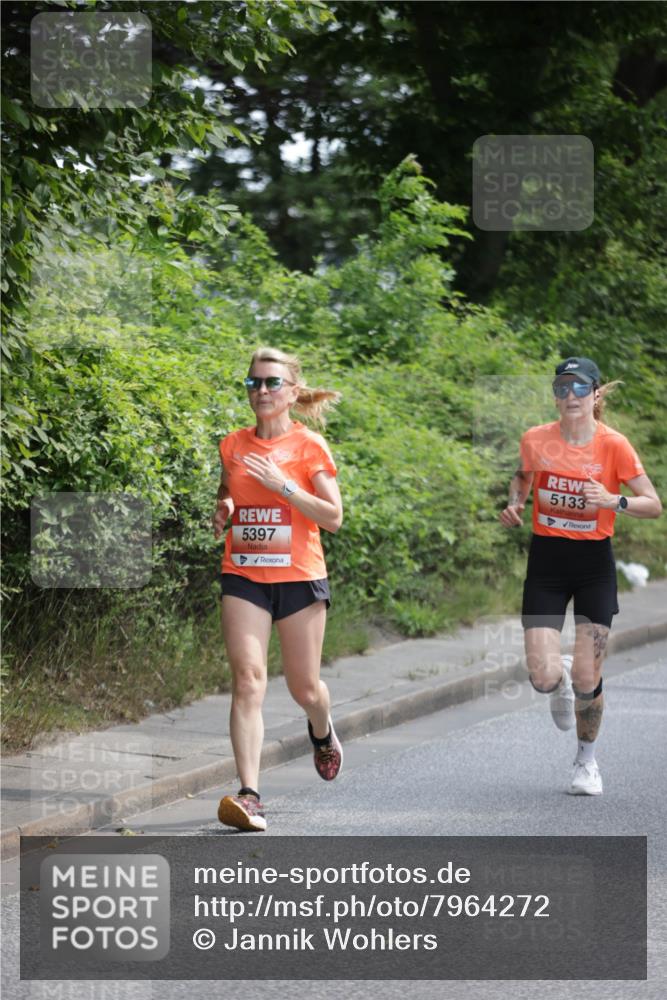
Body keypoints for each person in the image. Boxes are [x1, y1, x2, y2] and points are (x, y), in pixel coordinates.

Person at [500, 357, 662, 796]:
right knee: (542, 678)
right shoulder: (536, 439)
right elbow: (522, 477)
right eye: (562, 387)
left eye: (579, 387)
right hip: (547, 564)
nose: (569, 396)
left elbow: (653, 503)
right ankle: (562, 678)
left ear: (596, 394)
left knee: (588, 679)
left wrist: (614, 500)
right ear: (555, 394)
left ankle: (586, 763)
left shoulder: (614, 445)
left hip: (594, 565)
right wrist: (516, 502)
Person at [212, 347, 344, 831]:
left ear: (291, 392)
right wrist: (224, 508)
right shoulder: (233, 444)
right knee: (248, 680)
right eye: (253, 383)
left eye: (271, 383)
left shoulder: (310, 447)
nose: (261, 391)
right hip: (244, 573)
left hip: (299, 578)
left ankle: (322, 728)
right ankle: (249, 796)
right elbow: (228, 489)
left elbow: (333, 517)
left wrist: (284, 486)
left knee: (304, 688)